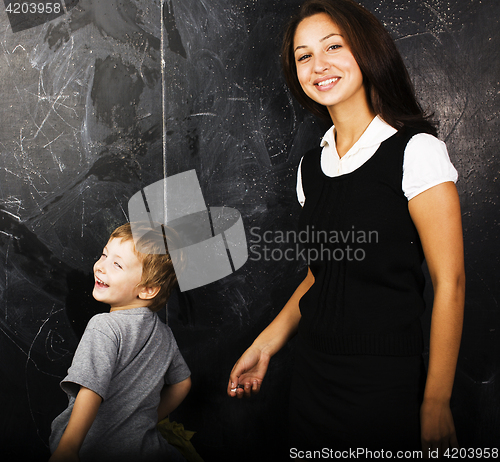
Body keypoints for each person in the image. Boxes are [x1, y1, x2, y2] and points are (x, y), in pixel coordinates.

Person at [228, 0, 465, 455]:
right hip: (312, 378)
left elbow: (449, 282)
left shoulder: (415, 151)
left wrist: (436, 400)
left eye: (333, 46)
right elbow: (326, 274)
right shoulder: (310, 168)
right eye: (303, 56)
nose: (319, 65)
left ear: (366, 51)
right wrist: (265, 346)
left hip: (383, 384)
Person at [49, 223, 191, 462]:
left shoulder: (104, 326)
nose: (101, 267)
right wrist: (143, 421)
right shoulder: (165, 336)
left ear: (147, 289)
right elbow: (183, 384)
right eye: (104, 254)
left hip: (94, 451)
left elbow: (91, 388)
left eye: (117, 264)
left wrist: (68, 448)